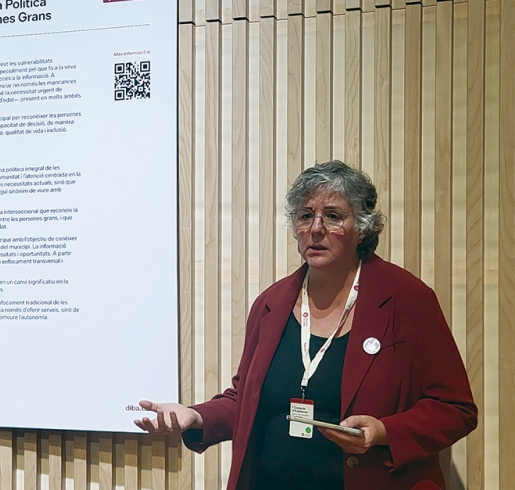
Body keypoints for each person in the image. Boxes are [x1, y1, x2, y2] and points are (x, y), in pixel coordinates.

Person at [135, 160, 477, 490]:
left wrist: (383, 432)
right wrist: (194, 416)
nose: (316, 229)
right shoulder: (271, 304)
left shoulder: (406, 299)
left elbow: (455, 409)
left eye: (333, 216)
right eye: (305, 216)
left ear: (362, 228)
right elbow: (246, 399)